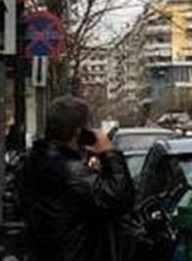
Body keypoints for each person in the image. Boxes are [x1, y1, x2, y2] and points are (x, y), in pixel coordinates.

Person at [21, 96, 135, 261]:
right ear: (79, 132)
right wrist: (109, 153)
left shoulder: (34, 161)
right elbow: (120, 197)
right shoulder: (73, 172)